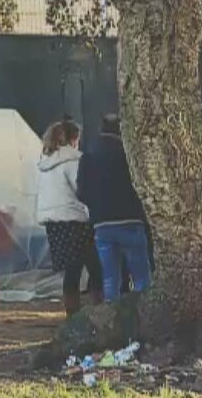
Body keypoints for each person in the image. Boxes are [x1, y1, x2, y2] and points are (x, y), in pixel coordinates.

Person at [77, 114, 152, 302]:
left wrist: (95, 206)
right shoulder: (130, 153)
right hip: (130, 219)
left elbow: (81, 190)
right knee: (141, 278)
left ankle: (112, 318)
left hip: (101, 223)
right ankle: (143, 316)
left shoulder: (88, 154)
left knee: (110, 278)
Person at [36, 120, 102, 317]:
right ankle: (100, 309)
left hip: (54, 222)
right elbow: (81, 188)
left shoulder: (46, 163)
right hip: (75, 219)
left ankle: (72, 313)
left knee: (71, 270)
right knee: (96, 266)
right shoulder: (73, 161)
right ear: (74, 139)